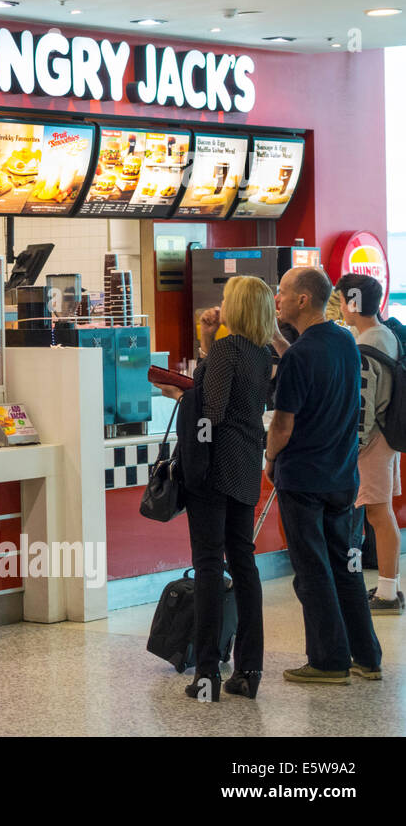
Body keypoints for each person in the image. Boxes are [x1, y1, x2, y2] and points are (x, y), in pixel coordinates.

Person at [268, 267, 382, 683]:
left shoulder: (299, 356)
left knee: (313, 569)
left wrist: (268, 458)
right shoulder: (345, 342)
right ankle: (366, 656)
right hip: (341, 475)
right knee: (346, 568)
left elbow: (283, 424)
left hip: (303, 479)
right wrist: (279, 341)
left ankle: (328, 660)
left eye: (282, 292)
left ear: (302, 299)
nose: (277, 299)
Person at [161, 276, 272, 700]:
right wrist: (207, 340)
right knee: (243, 563)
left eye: (226, 299)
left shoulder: (229, 350)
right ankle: (249, 668)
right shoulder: (260, 354)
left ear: (238, 307)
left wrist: (180, 397)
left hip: (213, 471)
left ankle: (206, 673)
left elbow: (212, 411)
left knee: (208, 565)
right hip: (246, 467)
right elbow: (230, 392)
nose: (219, 304)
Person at [334, 272, 403, 614]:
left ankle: (388, 594)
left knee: (377, 513)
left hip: (372, 441)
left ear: (355, 302)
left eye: (343, 299)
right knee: (381, 512)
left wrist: (354, 448)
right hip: (388, 436)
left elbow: (363, 405)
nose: (341, 306)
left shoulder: (366, 345)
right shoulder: (386, 334)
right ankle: (388, 586)